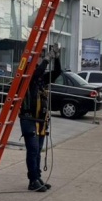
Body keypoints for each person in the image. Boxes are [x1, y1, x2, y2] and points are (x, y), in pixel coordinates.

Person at [20, 44, 62, 192]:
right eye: (35, 63)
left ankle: (37, 177)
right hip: (29, 119)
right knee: (33, 150)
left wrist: (56, 58)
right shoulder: (27, 79)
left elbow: (57, 72)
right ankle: (32, 180)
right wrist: (47, 59)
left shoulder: (40, 80)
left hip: (40, 121)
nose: (37, 65)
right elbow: (36, 73)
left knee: (37, 151)